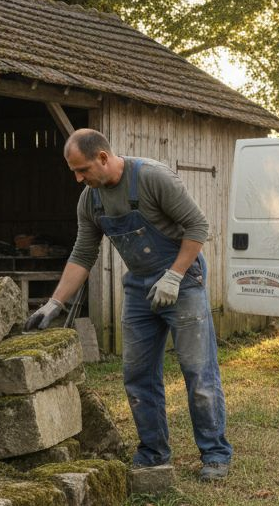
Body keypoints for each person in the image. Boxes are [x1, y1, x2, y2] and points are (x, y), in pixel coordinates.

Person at [26, 129, 232, 481]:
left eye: (82, 170)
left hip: (183, 282)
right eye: (74, 172)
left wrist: (174, 276)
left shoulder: (152, 178)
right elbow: (83, 253)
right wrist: (55, 302)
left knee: (199, 372)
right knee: (137, 376)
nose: (78, 178)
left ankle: (215, 455)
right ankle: (153, 453)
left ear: (103, 158)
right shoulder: (90, 200)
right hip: (139, 288)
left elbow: (198, 226)